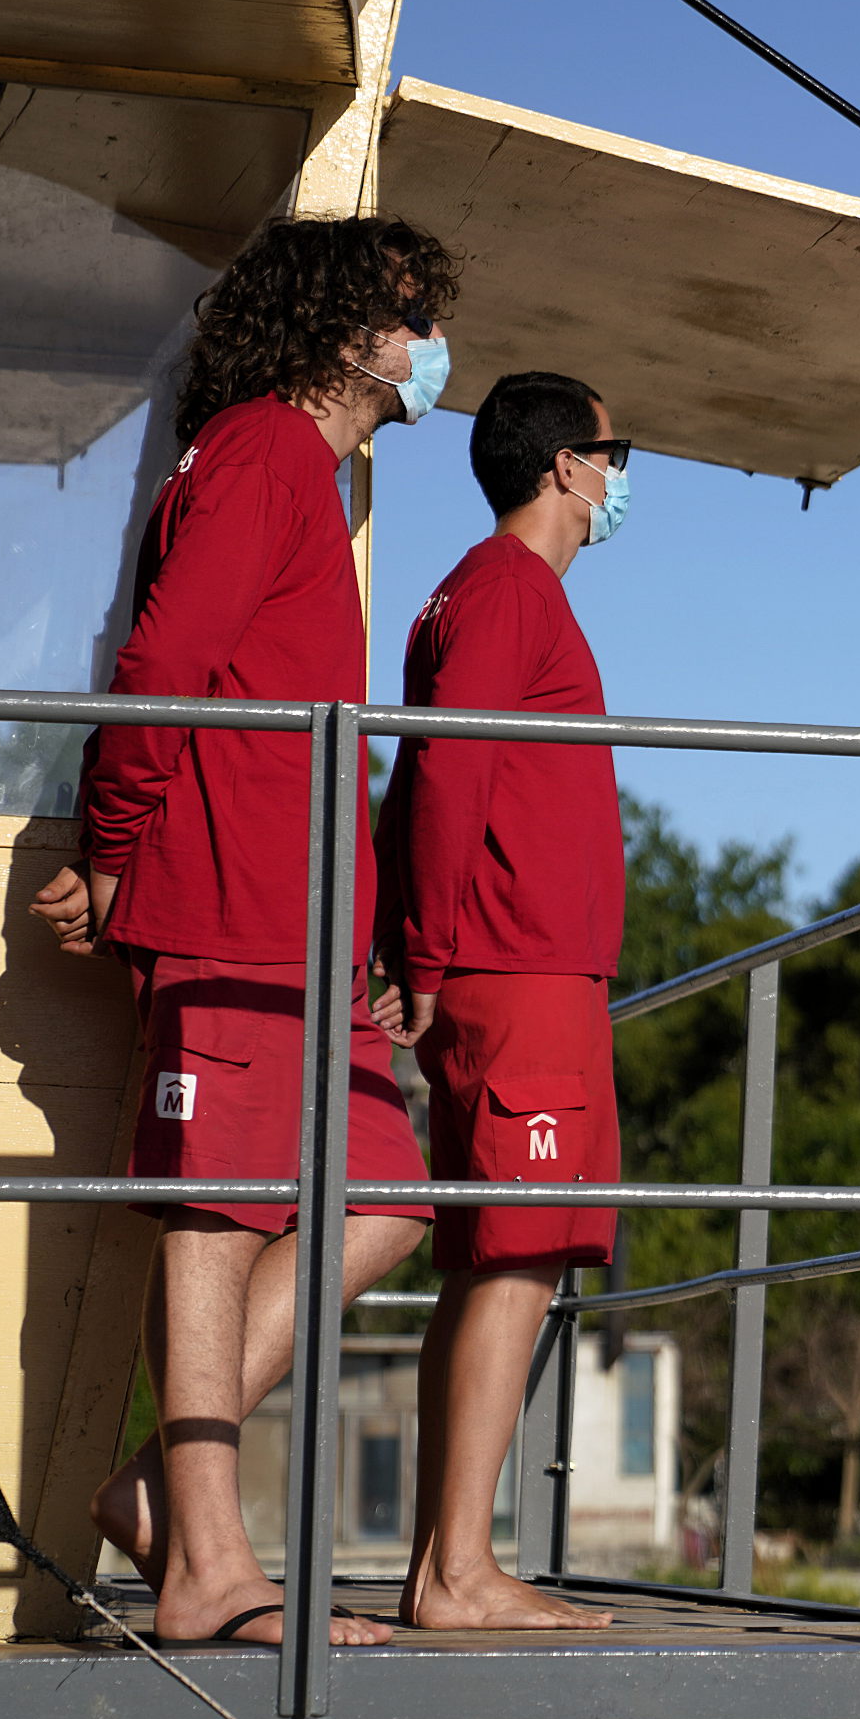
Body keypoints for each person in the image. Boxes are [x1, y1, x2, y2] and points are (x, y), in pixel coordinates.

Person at [26, 215, 460, 1647]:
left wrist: (380, 927)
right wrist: (114, 844)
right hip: (231, 907)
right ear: (344, 327)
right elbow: (162, 666)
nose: (427, 340)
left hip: (310, 925)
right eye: (408, 311)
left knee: (387, 1196)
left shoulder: (309, 478)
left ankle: (161, 1491)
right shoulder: (266, 453)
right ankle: (210, 1566)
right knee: (215, 1217)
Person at [371, 370, 629, 1630]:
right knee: (516, 1256)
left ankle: (451, 1564)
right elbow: (446, 775)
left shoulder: (484, 594)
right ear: (566, 467)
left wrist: (408, 945)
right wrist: (418, 955)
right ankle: (458, 1574)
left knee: (502, 1260)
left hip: (525, 967)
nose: (623, 480)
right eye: (614, 452)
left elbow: (422, 770)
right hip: (515, 970)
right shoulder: (506, 591)